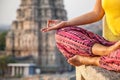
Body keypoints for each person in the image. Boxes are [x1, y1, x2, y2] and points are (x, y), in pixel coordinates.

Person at [41, 0, 120, 72]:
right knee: (62, 33)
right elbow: (97, 13)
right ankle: (106, 51)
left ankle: (92, 60)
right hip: (111, 44)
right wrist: (66, 23)